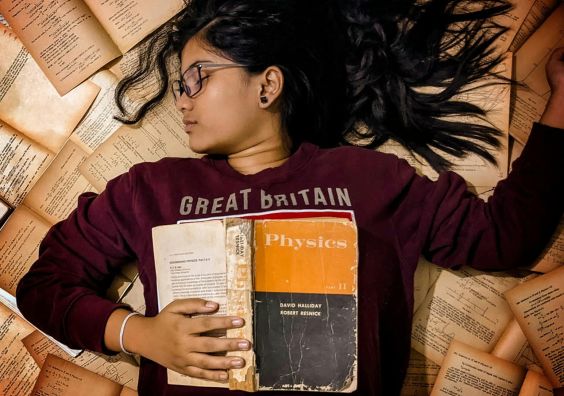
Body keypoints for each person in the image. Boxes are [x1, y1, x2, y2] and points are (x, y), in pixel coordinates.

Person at [16, 0, 564, 395]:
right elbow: (42, 287)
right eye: (181, 83)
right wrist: (136, 333)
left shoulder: (371, 181)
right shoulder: (150, 189)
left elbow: (503, 238)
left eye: (197, 77)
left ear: (267, 85)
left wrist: (561, 103)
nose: (181, 100)